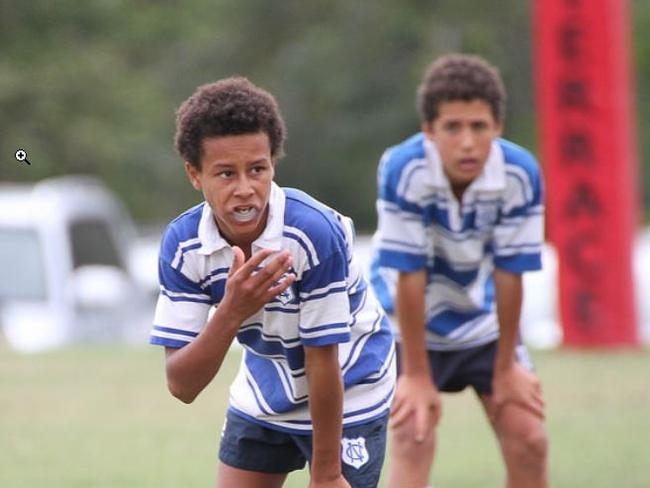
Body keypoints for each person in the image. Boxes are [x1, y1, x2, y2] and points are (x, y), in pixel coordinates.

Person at [150, 77, 395, 488]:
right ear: (194, 174)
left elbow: (323, 359)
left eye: (257, 169)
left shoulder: (311, 233)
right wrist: (231, 311)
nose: (245, 189)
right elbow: (181, 384)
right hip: (266, 388)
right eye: (226, 173)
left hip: (349, 387)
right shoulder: (183, 246)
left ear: (273, 165)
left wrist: (327, 474)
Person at [370, 54, 548, 487]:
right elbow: (408, 275)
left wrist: (506, 369)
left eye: (479, 127)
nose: (467, 142)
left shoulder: (520, 173)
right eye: (453, 127)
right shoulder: (404, 168)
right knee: (414, 436)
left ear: (498, 127)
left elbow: (511, 272)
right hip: (402, 322)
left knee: (529, 438)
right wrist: (415, 375)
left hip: (480, 318)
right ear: (429, 131)